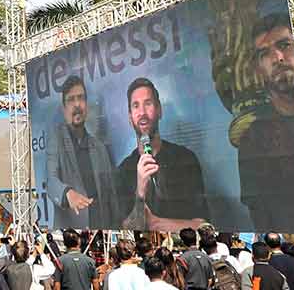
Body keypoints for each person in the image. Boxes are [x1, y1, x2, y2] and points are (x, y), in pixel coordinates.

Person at [237, 14, 294, 231]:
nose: (277, 58)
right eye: (264, 53)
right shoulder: (253, 140)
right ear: (258, 68)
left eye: (284, 45)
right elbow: (259, 212)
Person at [117, 78, 209, 230]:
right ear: (130, 117)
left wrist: (156, 223)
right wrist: (140, 193)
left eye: (148, 103)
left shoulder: (185, 159)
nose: (142, 112)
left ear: (159, 110)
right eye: (136, 106)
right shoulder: (122, 171)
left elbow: (204, 226)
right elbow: (125, 229)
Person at [46, 76, 120, 229]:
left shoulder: (99, 147)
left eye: (81, 98)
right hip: (73, 232)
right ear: (64, 109)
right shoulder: (56, 139)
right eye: (71, 100)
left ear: (86, 104)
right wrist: (67, 193)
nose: (77, 104)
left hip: (102, 229)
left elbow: (111, 195)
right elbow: (51, 181)